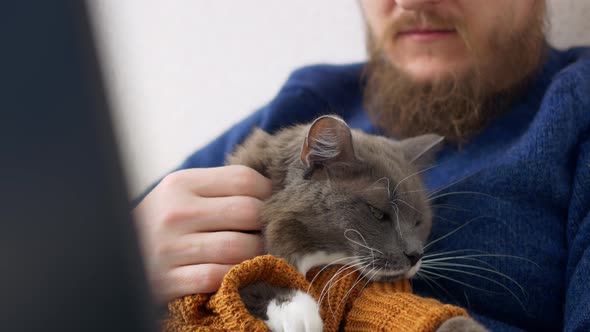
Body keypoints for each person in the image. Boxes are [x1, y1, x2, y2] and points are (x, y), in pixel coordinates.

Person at [132, 0, 590, 330]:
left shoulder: (578, 107)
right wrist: (131, 250)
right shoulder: (307, 97)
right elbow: (79, 274)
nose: (412, 3)